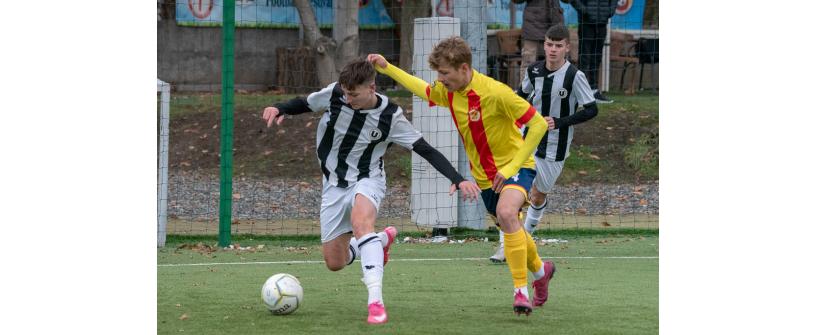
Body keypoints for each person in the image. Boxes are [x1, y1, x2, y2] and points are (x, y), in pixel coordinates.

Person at [261, 58, 480, 324]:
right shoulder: (334, 94)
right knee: (335, 262)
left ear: (371, 87)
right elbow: (306, 103)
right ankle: (381, 241)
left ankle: (375, 300)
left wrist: (456, 178)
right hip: (332, 185)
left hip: (368, 179)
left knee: (361, 222)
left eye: (353, 94)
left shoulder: (391, 117)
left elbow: (424, 148)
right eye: (345, 92)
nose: (348, 98)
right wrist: (280, 108)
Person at [367, 36, 557, 316]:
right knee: (510, 223)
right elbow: (423, 90)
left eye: (444, 73)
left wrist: (510, 167)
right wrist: (388, 68)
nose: (440, 79)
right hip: (484, 178)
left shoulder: (496, 92)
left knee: (507, 213)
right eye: (439, 74)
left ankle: (520, 291)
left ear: (464, 68)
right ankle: (541, 272)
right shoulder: (450, 92)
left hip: (517, 167)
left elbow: (538, 125)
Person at [489, 24, 598, 262]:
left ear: (567, 48)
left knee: (538, 196)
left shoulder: (574, 76)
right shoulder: (533, 71)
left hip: (555, 147)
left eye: (558, 46)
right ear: (544, 45)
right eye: (549, 44)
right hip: (525, 142)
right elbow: (520, 97)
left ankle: (526, 234)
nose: (553, 49)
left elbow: (591, 110)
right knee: (512, 192)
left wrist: (559, 122)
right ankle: (508, 244)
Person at [562, 0, 617, 103]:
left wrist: (609, 12)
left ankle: (594, 91)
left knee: (596, 58)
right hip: (586, 23)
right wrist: (586, 11)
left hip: (602, 23)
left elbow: (613, 2)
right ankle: (580, 91)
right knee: (585, 57)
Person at [512, 0, 564, 83]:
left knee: (555, 63)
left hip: (554, 25)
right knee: (528, 62)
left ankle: (553, 92)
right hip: (532, 26)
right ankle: (525, 92)